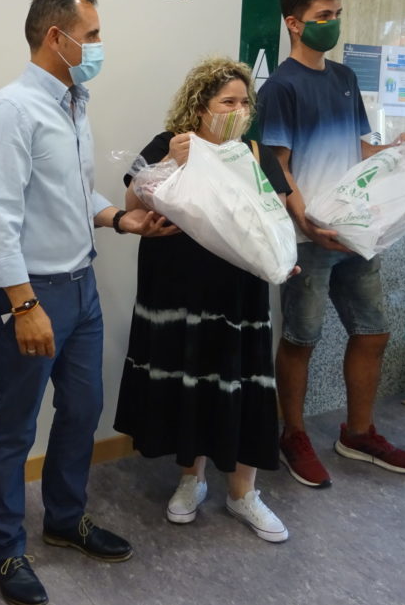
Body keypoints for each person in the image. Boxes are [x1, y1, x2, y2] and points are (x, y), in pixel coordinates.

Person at [0, 0, 176, 605]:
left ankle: (64, 519)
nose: (98, 47)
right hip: (31, 294)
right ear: (55, 38)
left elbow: (69, 193)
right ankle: (6, 551)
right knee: (14, 425)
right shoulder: (10, 111)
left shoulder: (73, 102)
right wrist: (23, 304)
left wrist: (120, 218)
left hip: (80, 287)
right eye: (91, 36)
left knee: (82, 411)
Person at [113, 56, 291, 542]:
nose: (237, 109)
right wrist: (173, 159)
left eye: (243, 101)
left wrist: (284, 254)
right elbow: (131, 202)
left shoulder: (252, 150)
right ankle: (190, 480)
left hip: (238, 289)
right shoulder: (170, 143)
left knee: (241, 380)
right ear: (201, 105)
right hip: (178, 283)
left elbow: (274, 213)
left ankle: (243, 493)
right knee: (190, 379)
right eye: (226, 101)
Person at [256, 0, 405, 489]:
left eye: (337, 14)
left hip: (355, 233)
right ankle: (294, 435)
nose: (333, 23)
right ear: (294, 23)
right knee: (302, 339)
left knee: (374, 331)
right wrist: (305, 220)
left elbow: (359, 151)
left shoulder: (345, 79)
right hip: (310, 237)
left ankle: (358, 431)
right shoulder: (280, 85)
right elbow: (275, 163)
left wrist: (393, 152)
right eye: (323, 16)